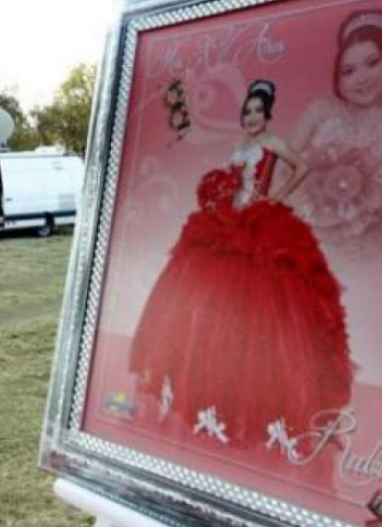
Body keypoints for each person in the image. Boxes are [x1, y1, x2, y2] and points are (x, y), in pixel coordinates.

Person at [128, 80, 354, 447]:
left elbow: (302, 166)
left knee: (266, 308)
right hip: (227, 225)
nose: (251, 117)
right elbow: (229, 184)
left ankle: (262, 400)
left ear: (267, 114)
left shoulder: (272, 143)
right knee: (209, 306)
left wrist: (274, 199)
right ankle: (205, 386)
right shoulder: (240, 146)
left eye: (257, 111)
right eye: (247, 111)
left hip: (259, 225)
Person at [289, 9, 382, 255]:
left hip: (373, 235)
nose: (361, 78)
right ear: (338, 78)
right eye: (349, 71)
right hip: (312, 226)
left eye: (372, 63)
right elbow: (283, 166)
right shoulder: (319, 112)